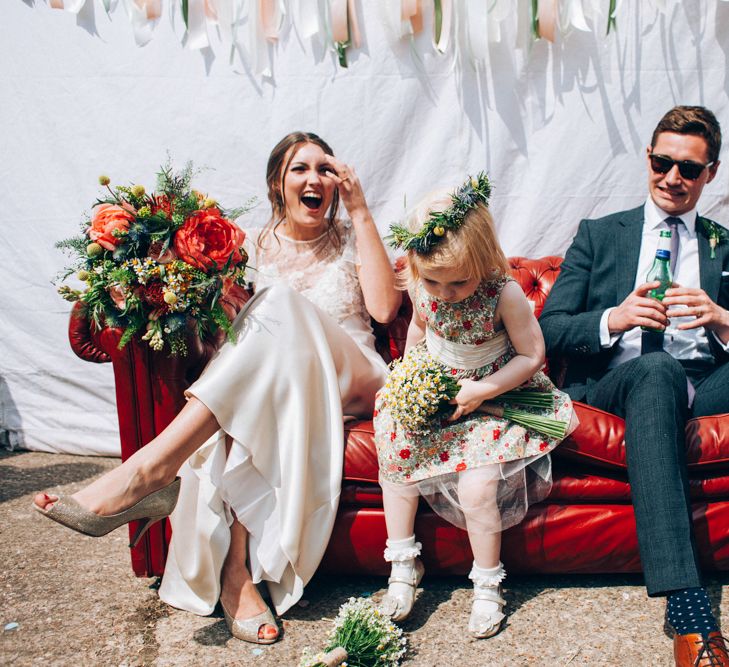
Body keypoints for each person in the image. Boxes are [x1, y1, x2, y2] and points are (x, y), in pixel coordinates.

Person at [33, 131, 402, 645]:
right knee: (247, 393)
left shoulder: (350, 234)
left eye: (325, 168)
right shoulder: (245, 245)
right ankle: (236, 579)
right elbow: (208, 327)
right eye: (300, 168)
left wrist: (361, 212)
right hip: (285, 386)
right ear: (278, 182)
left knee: (275, 306)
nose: (314, 178)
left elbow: (384, 311)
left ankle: (150, 469)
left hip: (355, 375)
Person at [539, 106, 729, 666]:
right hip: (622, 381)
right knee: (655, 370)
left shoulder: (723, 242)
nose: (673, 178)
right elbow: (548, 328)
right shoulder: (600, 235)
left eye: (688, 170)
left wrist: (720, 318)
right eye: (663, 163)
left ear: (710, 173)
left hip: (704, 382)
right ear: (648, 160)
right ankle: (687, 603)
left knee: (672, 373)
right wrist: (613, 319)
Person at [373, 175, 577, 638]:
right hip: (442, 391)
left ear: (484, 259)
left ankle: (487, 583)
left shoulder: (503, 293)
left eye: (458, 282)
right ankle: (403, 564)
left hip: (498, 396)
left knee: (478, 490)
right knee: (397, 461)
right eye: (434, 282)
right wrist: (410, 377)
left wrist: (482, 390)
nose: (444, 293)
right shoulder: (424, 283)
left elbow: (532, 355)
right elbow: (420, 333)